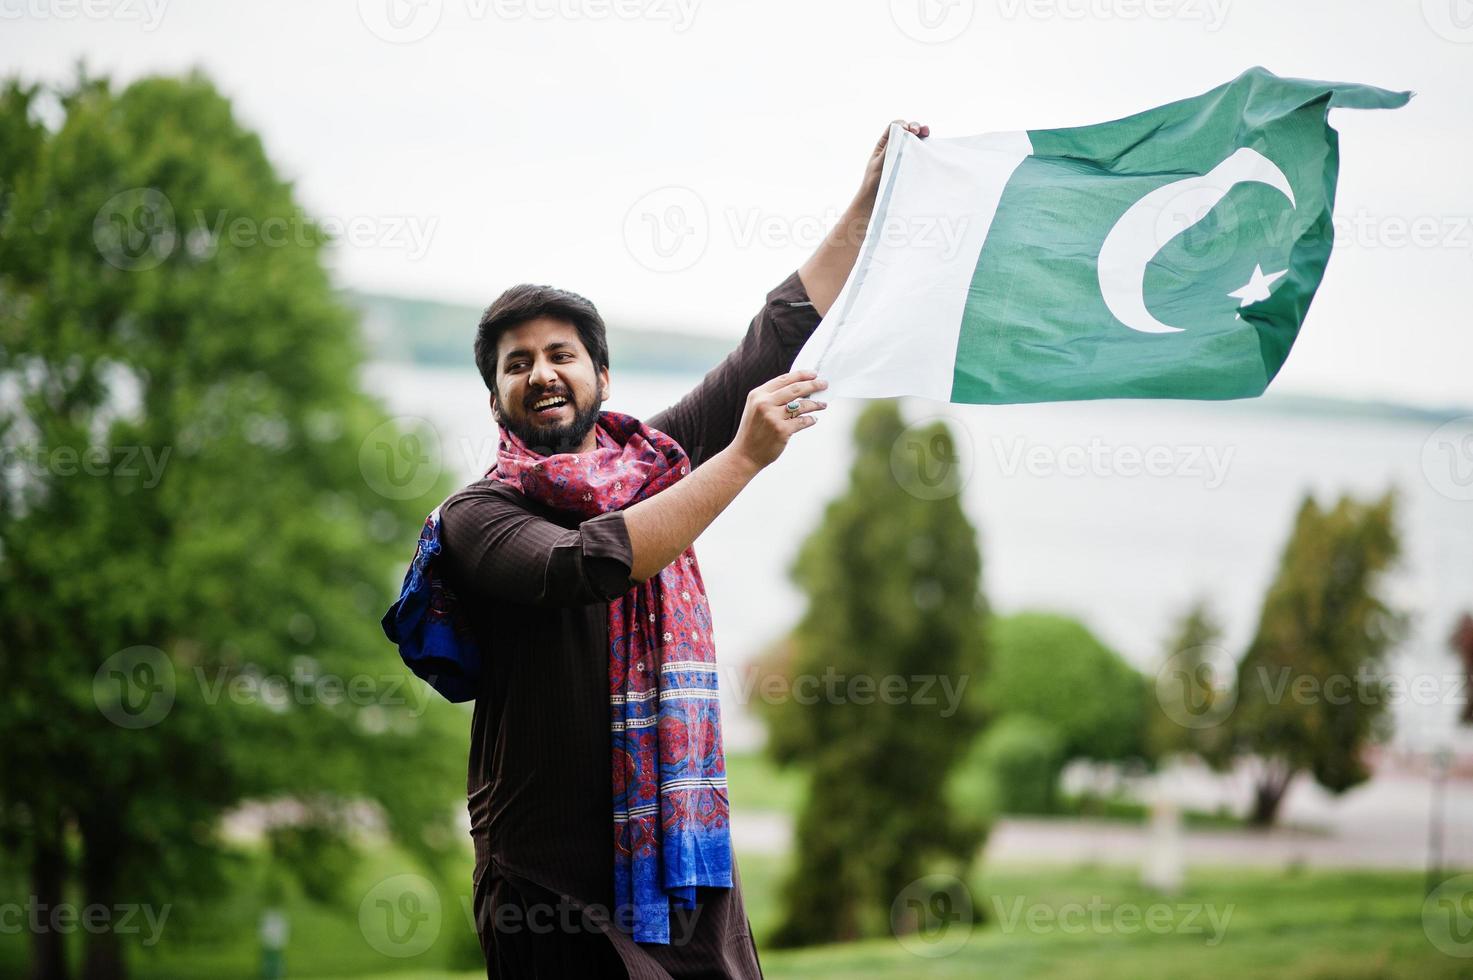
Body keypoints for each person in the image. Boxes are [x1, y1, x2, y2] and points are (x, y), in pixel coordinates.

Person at [437, 120, 930, 979]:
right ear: (495, 402)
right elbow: (587, 564)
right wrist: (742, 459)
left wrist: (868, 198)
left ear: (601, 378)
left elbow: (770, 342)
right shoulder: (477, 516)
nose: (542, 373)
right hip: (546, 889)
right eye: (517, 365)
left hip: (677, 855)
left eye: (562, 354)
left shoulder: (651, 464)